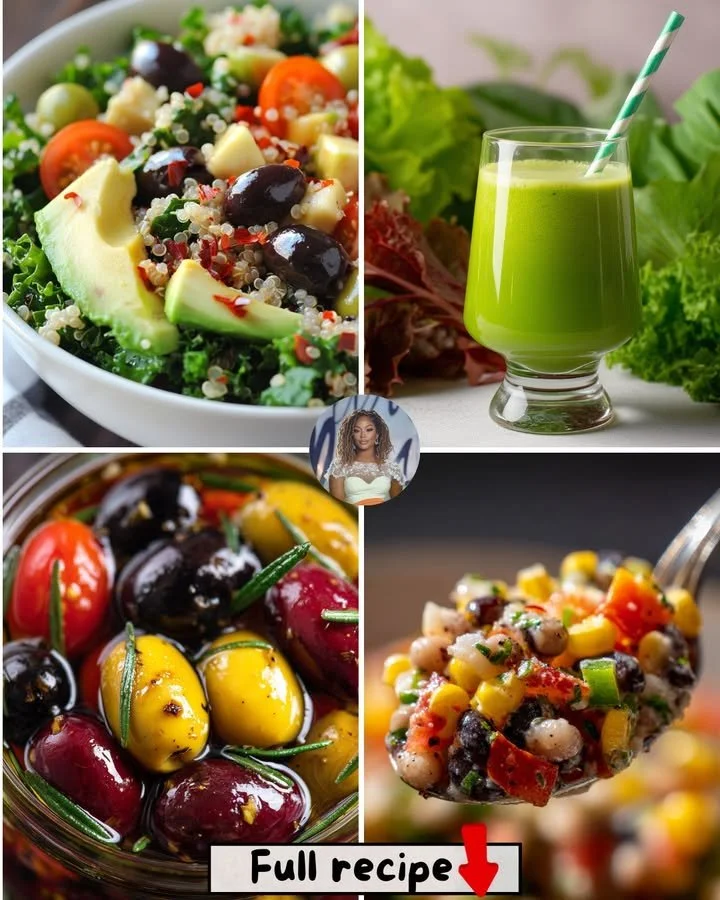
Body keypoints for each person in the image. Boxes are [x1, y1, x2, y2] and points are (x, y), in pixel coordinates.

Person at [328, 409, 405, 505]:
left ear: (377, 434)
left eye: (369, 430)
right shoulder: (339, 466)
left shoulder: (392, 468)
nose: (363, 435)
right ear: (351, 435)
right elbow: (338, 506)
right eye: (356, 430)